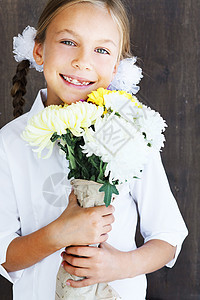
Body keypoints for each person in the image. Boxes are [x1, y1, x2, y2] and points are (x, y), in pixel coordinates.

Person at [0, 0, 188, 299]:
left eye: (101, 50)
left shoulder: (129, 133)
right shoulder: (10, 143)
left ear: (116, 66)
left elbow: (168, 237)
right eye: (68, 42)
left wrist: (119, 265)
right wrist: (59, 232)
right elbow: (4, 255)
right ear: (39, 50)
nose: (82, 62)